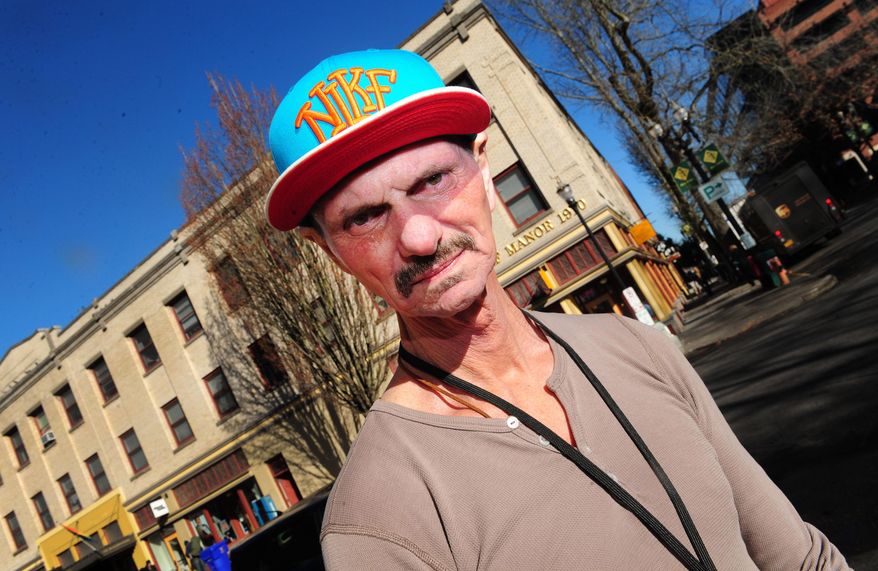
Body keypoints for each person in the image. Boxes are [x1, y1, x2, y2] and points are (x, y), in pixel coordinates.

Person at [265, 49, 849, 569]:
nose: (418, 236)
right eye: (365, 217)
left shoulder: (634, 346)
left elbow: (798, 558)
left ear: (484, 167)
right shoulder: (379, 513)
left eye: (433, 180)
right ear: (331, 251)